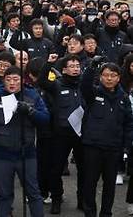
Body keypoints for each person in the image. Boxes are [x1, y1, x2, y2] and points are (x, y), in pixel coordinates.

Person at [0, 66, 49, 217]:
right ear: (4, 81)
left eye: (16, 79)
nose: (12, 83)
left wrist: (30, 111)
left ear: (22, 81)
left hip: (26, 154)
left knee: (33, 192)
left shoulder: (32, 95)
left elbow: (45, 119)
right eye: (8, 79)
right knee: (4, 193)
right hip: (2, 154)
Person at [81, 59, 133, 217]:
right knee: (89, 184)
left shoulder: (124, 98)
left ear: (118, 77)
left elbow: (129, 124)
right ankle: (90, 213)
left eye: (113, 75)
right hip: (92, 147)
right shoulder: (94, 93)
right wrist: (91, 68)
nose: (109, 78)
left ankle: (106, 214)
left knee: (109, 186)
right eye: (106, 75)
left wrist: (126, 147)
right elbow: (84, 86)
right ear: (101, 77)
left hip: (113, 149)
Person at [37, 54, 84, 214]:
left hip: (81, 134)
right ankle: (57, 198)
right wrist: (49, 63)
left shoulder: (84, 84)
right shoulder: (57, 85)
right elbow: (41, 81)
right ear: (64, 69)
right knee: (55, 169)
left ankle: (82, 200)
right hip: (60, 133)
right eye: (71, 66)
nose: (75, 68)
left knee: (84, 170)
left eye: (77, 65)